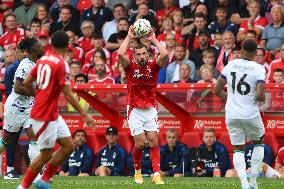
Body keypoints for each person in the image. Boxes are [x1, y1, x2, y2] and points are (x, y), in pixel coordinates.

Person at [17, 31, 96, 189]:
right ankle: (23, 186)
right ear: (68, 46)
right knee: (46, 153)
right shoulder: (61, 64)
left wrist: (39, 94)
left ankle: (43, 180)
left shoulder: (42, 60)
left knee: (68, 146)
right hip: (44, 115)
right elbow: (67, 93)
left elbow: (26, 82)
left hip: (51, 113)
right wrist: (85, 114)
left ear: (52, 44)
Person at [118, 26, 168, 184]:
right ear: (134, 56)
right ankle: (138, 172)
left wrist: (153, 39)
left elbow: (165, 54)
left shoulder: (154, 65)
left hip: (150, 108)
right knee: (139, 143)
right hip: (134, 109)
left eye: (143, 53)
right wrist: (129, 36)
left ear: (148, 54)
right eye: (138, 54)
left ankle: (156, 174)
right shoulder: (129, 66)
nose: (141, 56)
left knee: (153, 140)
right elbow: (120, 54)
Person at [214, 39, 266, 189]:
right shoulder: (258, 68)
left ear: (241, 50)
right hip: (250, 113)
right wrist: (257, 98)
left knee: (238, 148)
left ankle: (244, 183)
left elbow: (216, 90)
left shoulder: (230, 65)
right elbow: (261, 95)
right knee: (259, 142)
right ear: (256, 53)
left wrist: (230, 98)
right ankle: (253, 182)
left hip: (232, 113)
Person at [0, 38, 43, 179]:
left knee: (34, 136)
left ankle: (38, 171)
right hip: (16, 107)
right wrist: (39, 93)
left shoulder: (33, 63)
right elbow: (18, 88)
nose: (41, 47)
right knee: (6, 139)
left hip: (28, 105)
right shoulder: (25, 64)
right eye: (38, 45)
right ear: (33, 49)